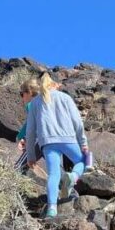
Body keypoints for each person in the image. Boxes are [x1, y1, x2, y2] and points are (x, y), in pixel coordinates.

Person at [22, 74, 94, 218]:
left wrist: (31, 155)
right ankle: (73, 177)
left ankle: (52, 210)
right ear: (53, 84)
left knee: (53, 175)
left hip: (47, 143)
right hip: (68, 139)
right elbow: (78, 123)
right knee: (83, 162)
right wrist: (83, 143)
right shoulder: (65, 98)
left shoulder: (35, 102)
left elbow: (30, 132)